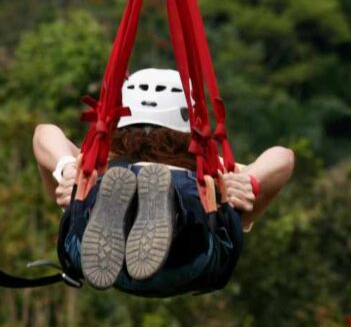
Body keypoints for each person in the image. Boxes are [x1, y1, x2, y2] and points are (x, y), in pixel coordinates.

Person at [33, 68, 294, 296]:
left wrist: (66, 169)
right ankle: (172, 213)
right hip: (186, 265)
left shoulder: (95, 166)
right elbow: (283, 157)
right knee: (201, 207)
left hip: (94, 261)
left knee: (92, 196)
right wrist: (249, 181)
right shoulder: (213, 174)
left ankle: (131, 216)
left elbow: (43, 132)